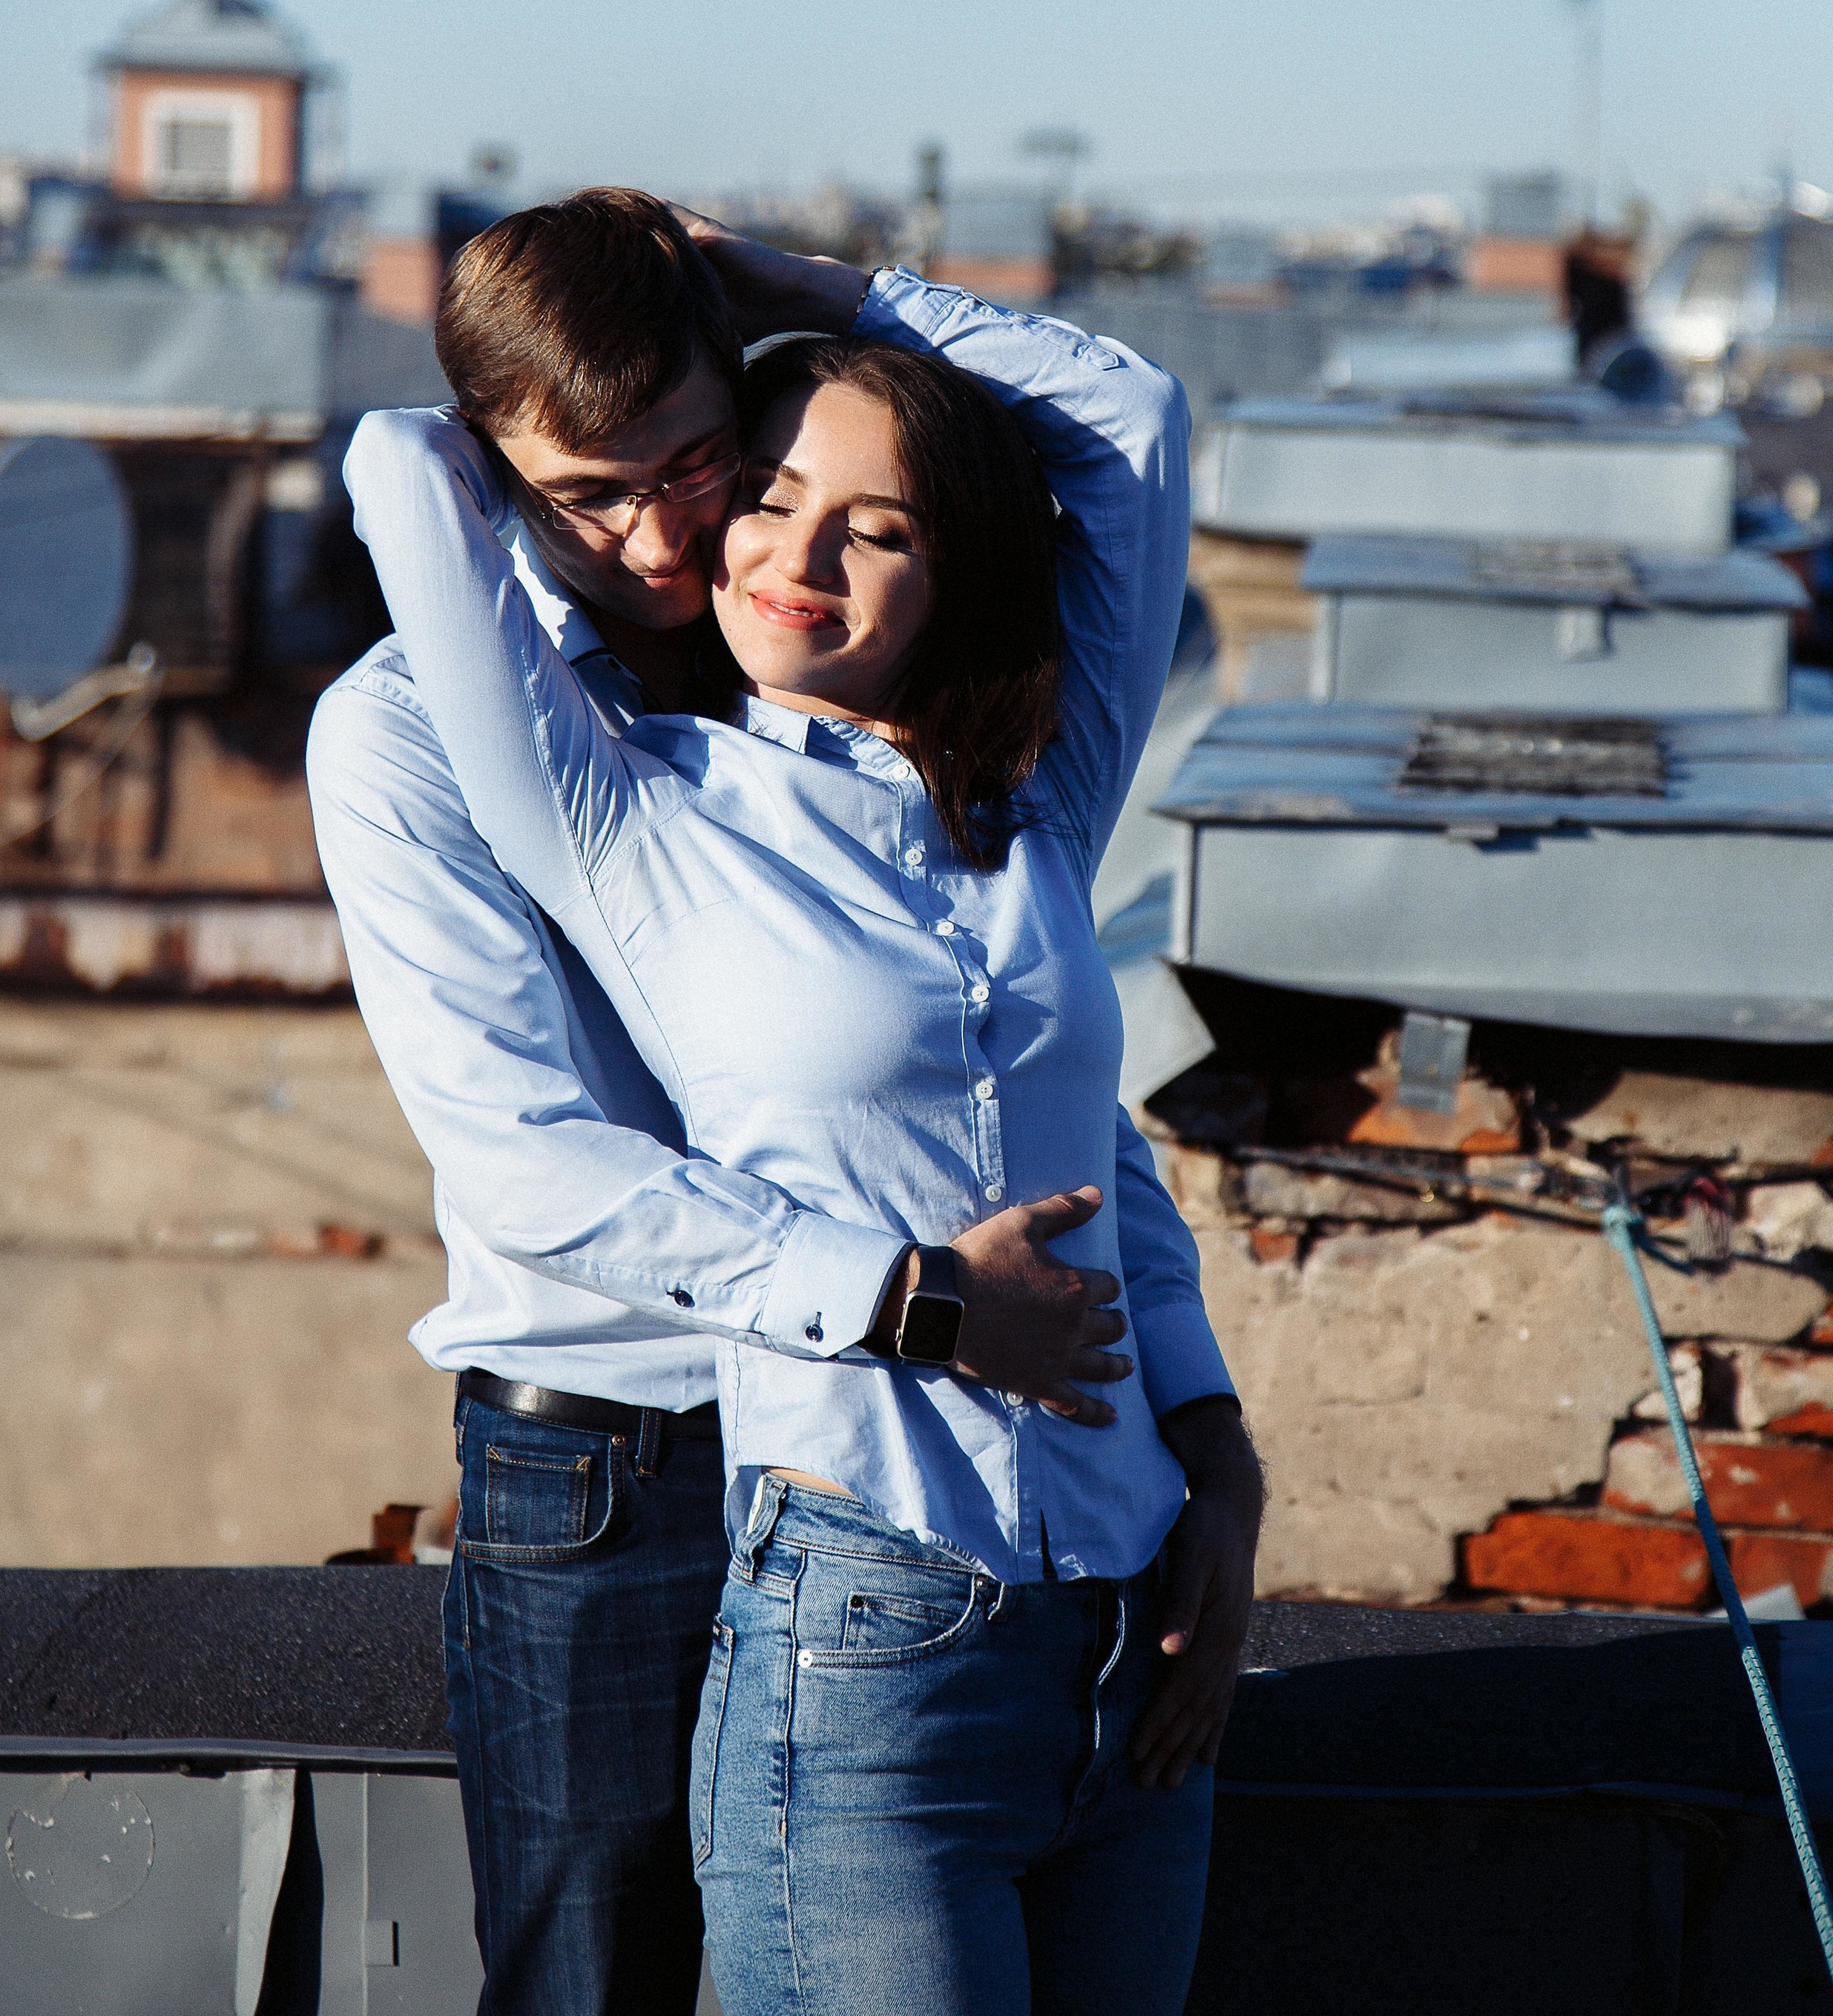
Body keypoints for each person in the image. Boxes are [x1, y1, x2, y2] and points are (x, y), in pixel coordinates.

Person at [309, 193, 1255, 2016]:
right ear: (503, 467)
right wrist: (909, 1294)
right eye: (588, 491)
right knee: (596, 1979)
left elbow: (1036, 1117)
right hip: (615, 1437)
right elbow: (527, 1163)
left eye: (699, 463)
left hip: (960, 1485)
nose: (671, 533)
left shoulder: (911, 743)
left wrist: (794, 290)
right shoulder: (435, 731)